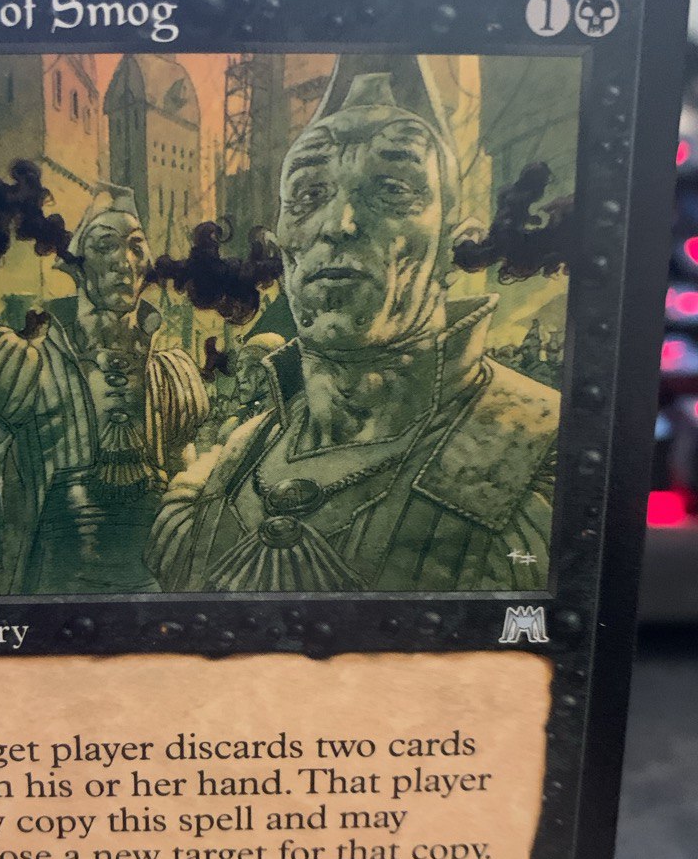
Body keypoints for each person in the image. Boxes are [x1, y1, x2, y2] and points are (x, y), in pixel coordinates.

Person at [147, 59, 559, 593]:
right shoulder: (232, 464)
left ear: (451, 241)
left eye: (391, 189)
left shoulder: (538, 449)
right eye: (308, 195)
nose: (338, 224)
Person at [0, 185, 209, 594]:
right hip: (56, 582)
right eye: (106, 246)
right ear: (77, 266)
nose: (123, 261)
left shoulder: (171, 373)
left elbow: (183, 488)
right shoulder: (23, 364)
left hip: (150, 585)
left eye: (135, 248)